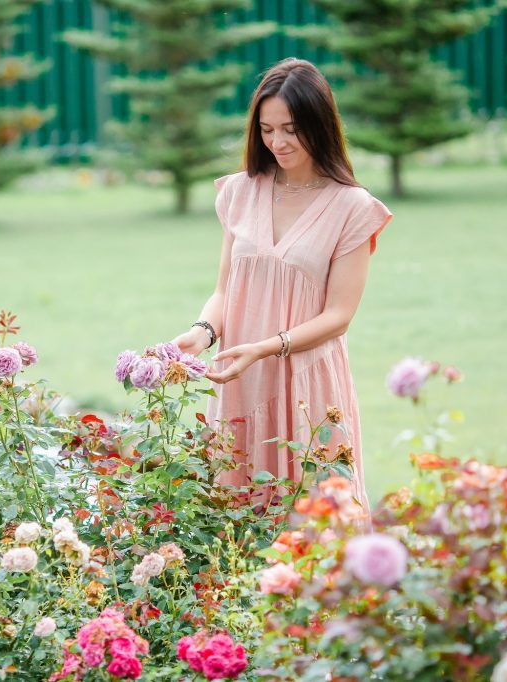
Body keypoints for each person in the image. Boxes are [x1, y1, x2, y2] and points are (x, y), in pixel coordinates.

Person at [172, 58, 392, 509]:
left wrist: (265, 348)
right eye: (267, 130)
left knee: (312, 523)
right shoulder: (239, 191)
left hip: (307, 384)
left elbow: (338, 316)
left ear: (320, 123)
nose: (277, 142)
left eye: (291, 128)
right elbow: (225, 289)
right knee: (233, 518)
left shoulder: (352, 207)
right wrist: (202, 332)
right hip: (238, 378)